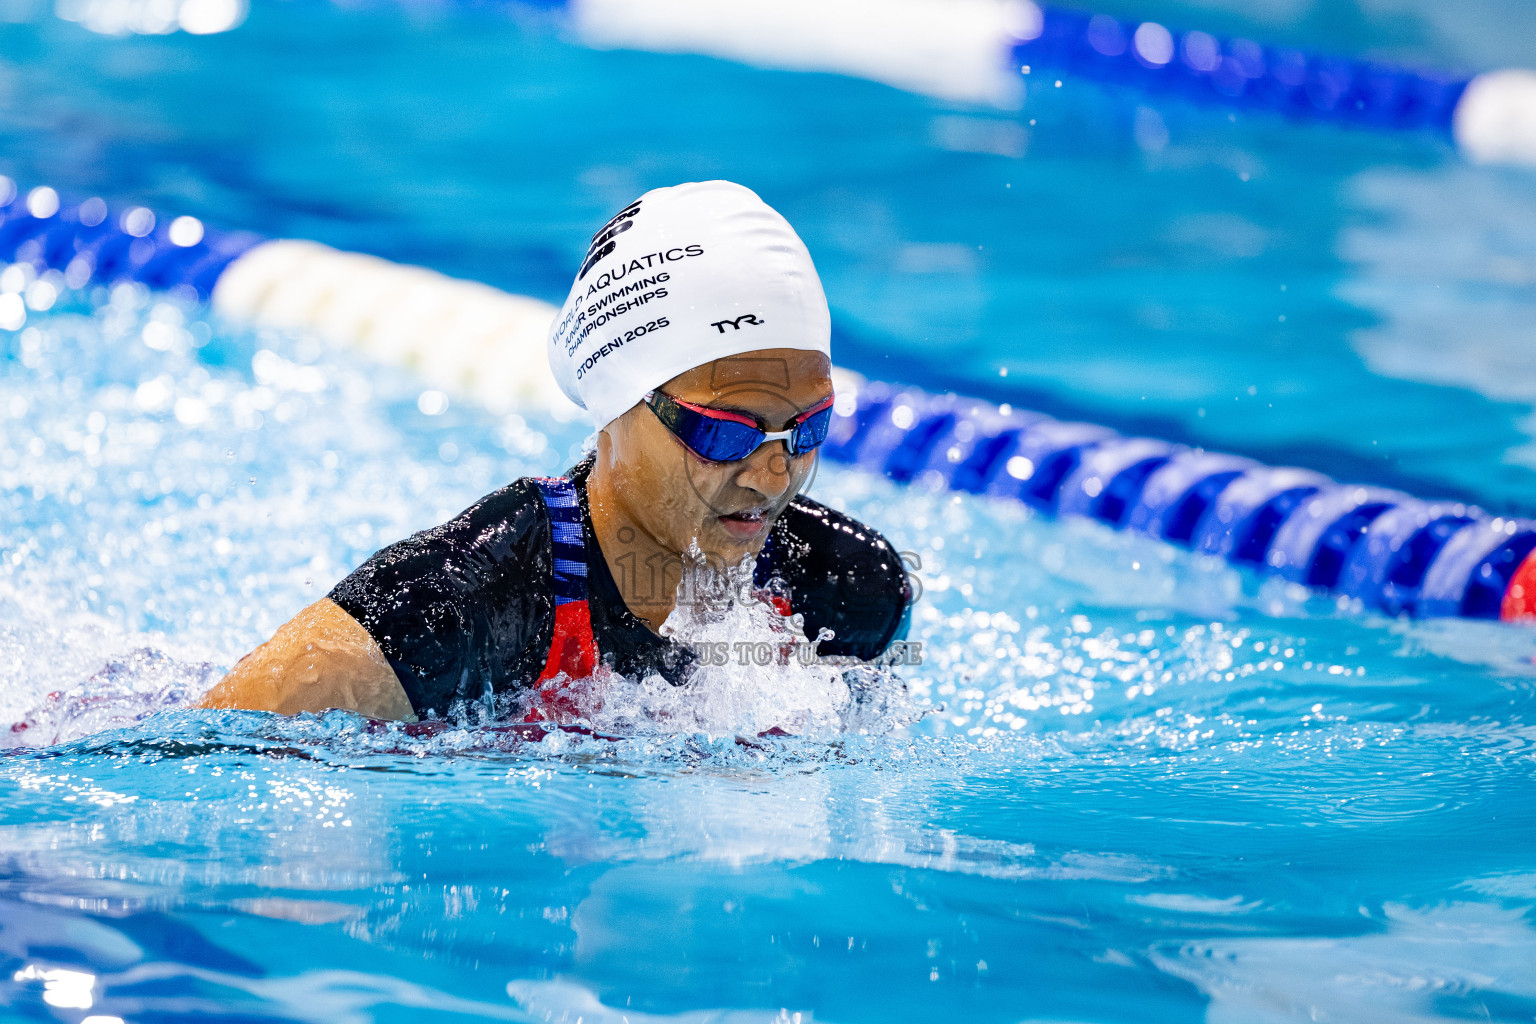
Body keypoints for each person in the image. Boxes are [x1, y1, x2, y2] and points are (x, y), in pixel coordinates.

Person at [198, 181, 912, 721]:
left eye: (807, 427)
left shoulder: (849, 593)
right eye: (724, 432)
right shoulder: (455, 605)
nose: (774, 475)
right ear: (617, 403)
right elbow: (208, 750)